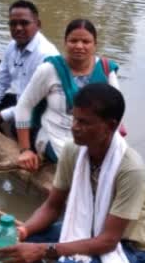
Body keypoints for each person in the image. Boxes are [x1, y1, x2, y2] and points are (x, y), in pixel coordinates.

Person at [0, 84, 145, 263]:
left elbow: (108, 241)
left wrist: (43, 251)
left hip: (130, 248)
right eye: (75, 119)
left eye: (85, 122)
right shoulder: (73, 151)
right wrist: (22, 232)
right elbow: (52, 207)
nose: (75, 127)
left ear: (110, 126)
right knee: (28, 240)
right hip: (90, 228)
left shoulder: (131, 170)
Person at [14, 19, 120, 171]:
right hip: (55, 135)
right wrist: (25, 150)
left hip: (95, 137)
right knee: (80, 166)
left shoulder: (105, 70)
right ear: (65, 42)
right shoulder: (49, 69)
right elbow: (24, 106)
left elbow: (116, 113)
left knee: (120, 164)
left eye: (86, 41)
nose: (79, 46)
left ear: (95, 44)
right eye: (73, 40)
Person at [0, 0, 59, 131]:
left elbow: (35, 103)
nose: (18, 28)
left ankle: (9, 136)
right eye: (13, 24)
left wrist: (1, 116)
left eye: (24, 23)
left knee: (17, 126)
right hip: (20, 100)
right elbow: (1, 80)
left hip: (41, 110)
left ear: (38, 24)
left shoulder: (46, 55)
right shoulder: (12, 46)